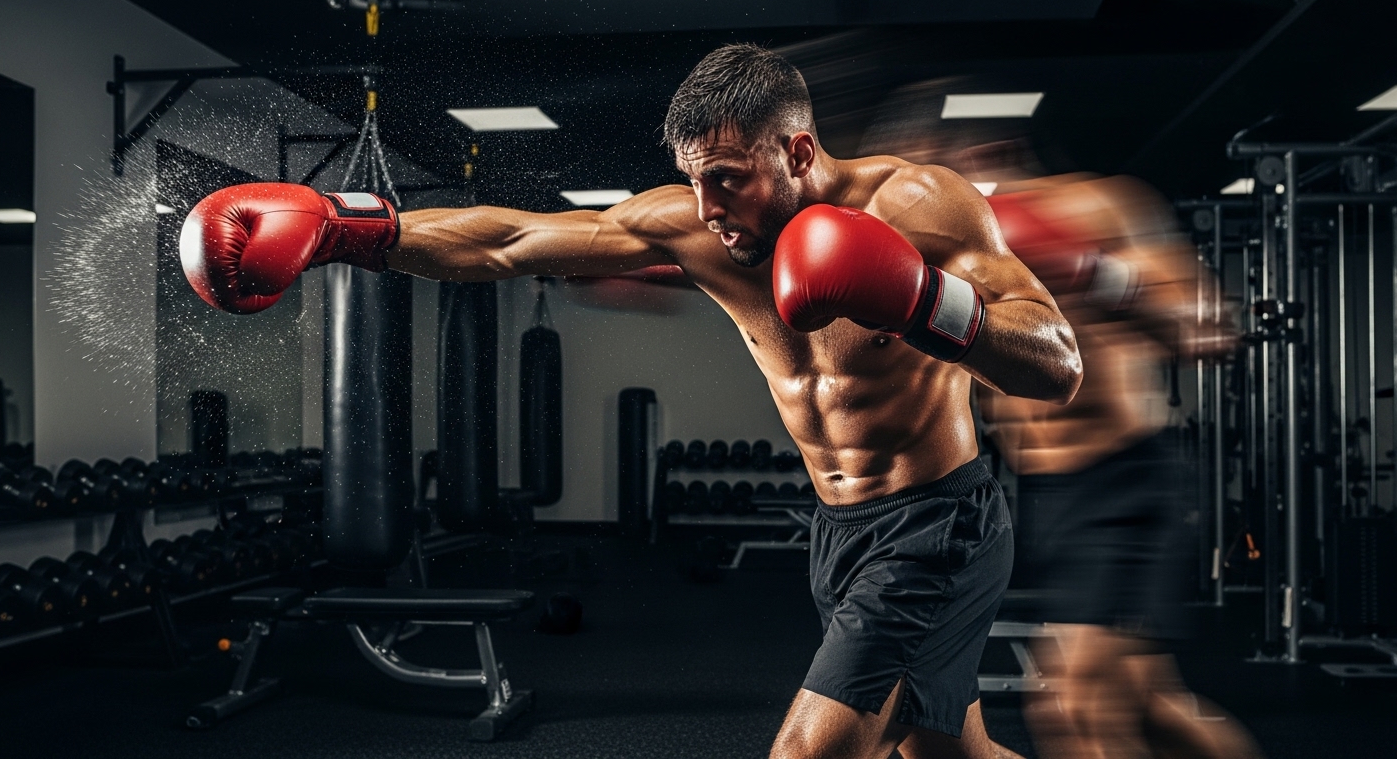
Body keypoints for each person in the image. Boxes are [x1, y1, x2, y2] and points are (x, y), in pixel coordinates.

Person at [179, 44, 1082, 759]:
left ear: (798, 149)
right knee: (943, 751)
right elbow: (515, 240)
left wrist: (922, 298)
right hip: (839, 532)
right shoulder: (697, 221)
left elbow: (1056, 363)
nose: (706, 203)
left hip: (939, 529)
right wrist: (349, 231)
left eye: (729, 175)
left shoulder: (920, 204)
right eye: (693, 176)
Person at [861, 81, 1261, 758]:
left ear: (980, 155)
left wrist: (1093, 270)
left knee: (1074, 704)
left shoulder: (1097, 203)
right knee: (1151, 703)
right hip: (1051, 499)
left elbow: (1209, 329)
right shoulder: (947, 249)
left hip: (1127, 482)